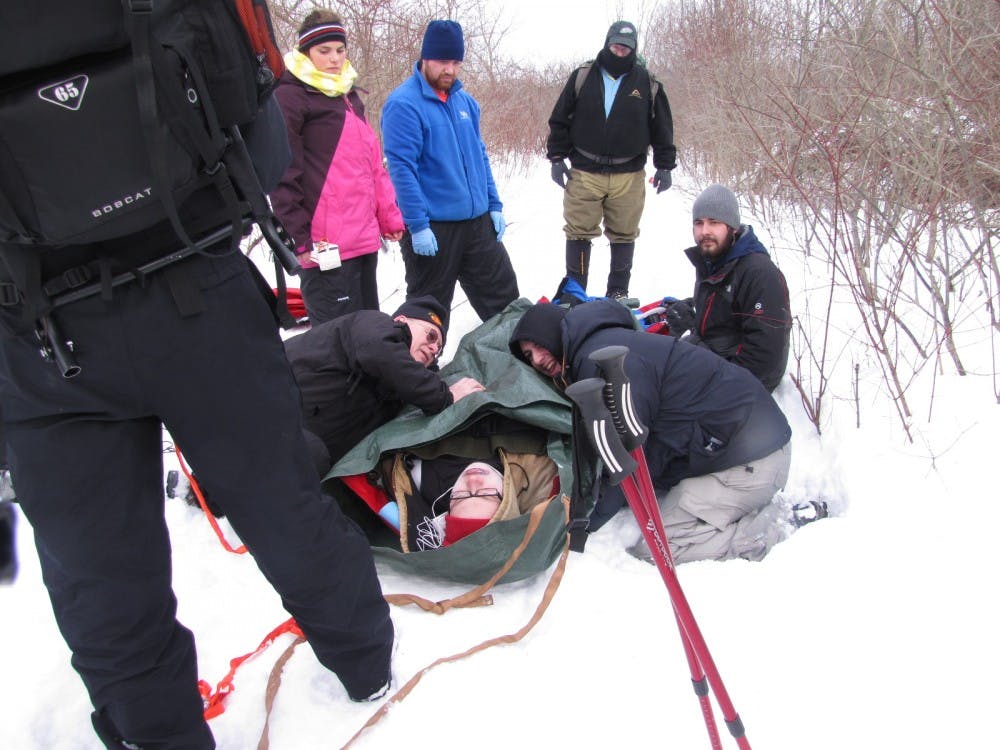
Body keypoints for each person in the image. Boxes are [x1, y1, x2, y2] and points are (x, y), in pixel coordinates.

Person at [0, 79, 393, 750]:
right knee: (281, 502)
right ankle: (366, 667)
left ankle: (154, 733)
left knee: (100, 571)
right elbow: (264, 150)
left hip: (37, 334)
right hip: (196, 291)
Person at [509, 298, 821, 564]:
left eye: (538, 347)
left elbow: (627, 458)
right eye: (528, 356)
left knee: (658, 546)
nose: (537, 360)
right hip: (742, 442)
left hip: (753, 457)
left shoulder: (603, 363)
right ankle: (731, 509)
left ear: (555, 333)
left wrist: (581, 524)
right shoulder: (602, 345)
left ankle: (777, 527)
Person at [380, 19, 519, 333]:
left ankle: (517, 366)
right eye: (443, 62)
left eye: (456, 62)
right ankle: (421, 378)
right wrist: (417, 225)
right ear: (426, 58)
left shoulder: (465, 102)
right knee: (427, 316)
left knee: (505, 302)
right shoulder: (403, 105)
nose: (450, 70)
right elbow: (402, 169)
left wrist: (494, 205)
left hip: (478, 223)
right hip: (434, 230)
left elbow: (479, 157)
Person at [269, 10, 405, 325]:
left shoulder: (348, 95)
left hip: (362, 241)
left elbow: (372, 167)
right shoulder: (290, 97)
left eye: (340, 50)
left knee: (371, 337)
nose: (334, 58)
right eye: (324, 51)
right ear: (306, 52)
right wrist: (298, 240)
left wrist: (389, 217)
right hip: (323, 248)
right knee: (336, 346)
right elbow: (281, 175)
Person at [546, 21, 676, 300]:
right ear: (607, 43)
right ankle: (575, 292)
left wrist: (664, 165)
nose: (620, 51)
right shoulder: (583, 75)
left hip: (628, 174)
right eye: (616, 45)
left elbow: (662, 128)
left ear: (634, 49)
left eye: (626, 47)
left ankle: (617, 293)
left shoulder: (648, 83)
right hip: (584, 170)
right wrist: (557, 157)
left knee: (624, 234)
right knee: (579, 231)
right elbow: (560, 118)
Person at [283, 295, 485, 475]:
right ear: (401, 320)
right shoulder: (372, 325)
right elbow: (382, 352)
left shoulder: (398, 391)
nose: (433, 348)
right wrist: (446, 396)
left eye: (438, 351)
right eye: (431, 336)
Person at [664, 184, 792, 392]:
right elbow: (725, 310)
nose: (705, 231)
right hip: (709, 355)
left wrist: (718, 387)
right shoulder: (714, 259)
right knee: (642, 357)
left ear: (732, 227)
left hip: (737, 381)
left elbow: (766, 358)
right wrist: (691, 311)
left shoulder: (759, 274)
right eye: (699, 223)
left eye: (714, 222)